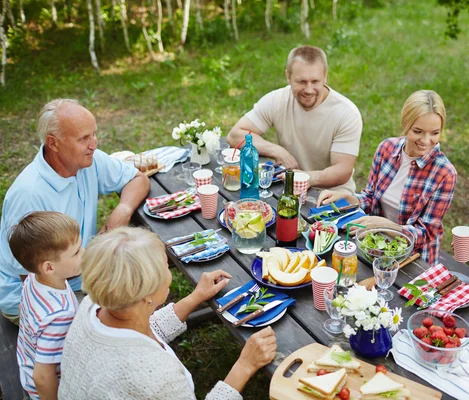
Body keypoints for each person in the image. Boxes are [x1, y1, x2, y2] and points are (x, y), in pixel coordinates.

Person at [59, 227, 277, 399]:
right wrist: (245, 365)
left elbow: (141, 328)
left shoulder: (91, 306)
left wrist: (195, 297)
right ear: (147, 294)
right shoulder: (156, 378)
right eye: (165, 266)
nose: (169, 272)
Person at [0, 99, 150, 324]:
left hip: (80, 273)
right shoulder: (29, 195)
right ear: (54, 143)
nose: (94, 145)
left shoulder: (87, 160)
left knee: (144, 283)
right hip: (39, 295)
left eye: (94, 134)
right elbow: (28, 276)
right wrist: (94, 296)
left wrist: (123, 210)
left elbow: (138, 179)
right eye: (84, 139)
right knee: (122, 319)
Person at [318, 90, 456, 266]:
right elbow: (370, 197)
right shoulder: (387, 148)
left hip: (414, 261)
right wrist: (348, 198)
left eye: (435, 133)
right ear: (405, 124)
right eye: (418, 131)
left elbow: (426, 234)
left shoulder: (444, 173)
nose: (426, 140)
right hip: (373, 246)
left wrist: (386, 226)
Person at [227, 45, 362, 194]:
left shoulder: (347, 113)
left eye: (315, 81)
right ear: (288, 76)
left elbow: (342, 171)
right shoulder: (277, 100)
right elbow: (235, 135)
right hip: (288, 187)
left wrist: (305, 178)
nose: (309, 89)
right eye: (302, 82)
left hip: (332, 195)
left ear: (325, 76)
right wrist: (278, 151)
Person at [8, 212, 82, 400]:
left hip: (27, 360)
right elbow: (42, 377)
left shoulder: (35, 279)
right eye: (76, 252)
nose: (84, 253)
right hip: (48, 386)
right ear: (49, 267)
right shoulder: (59, 316)